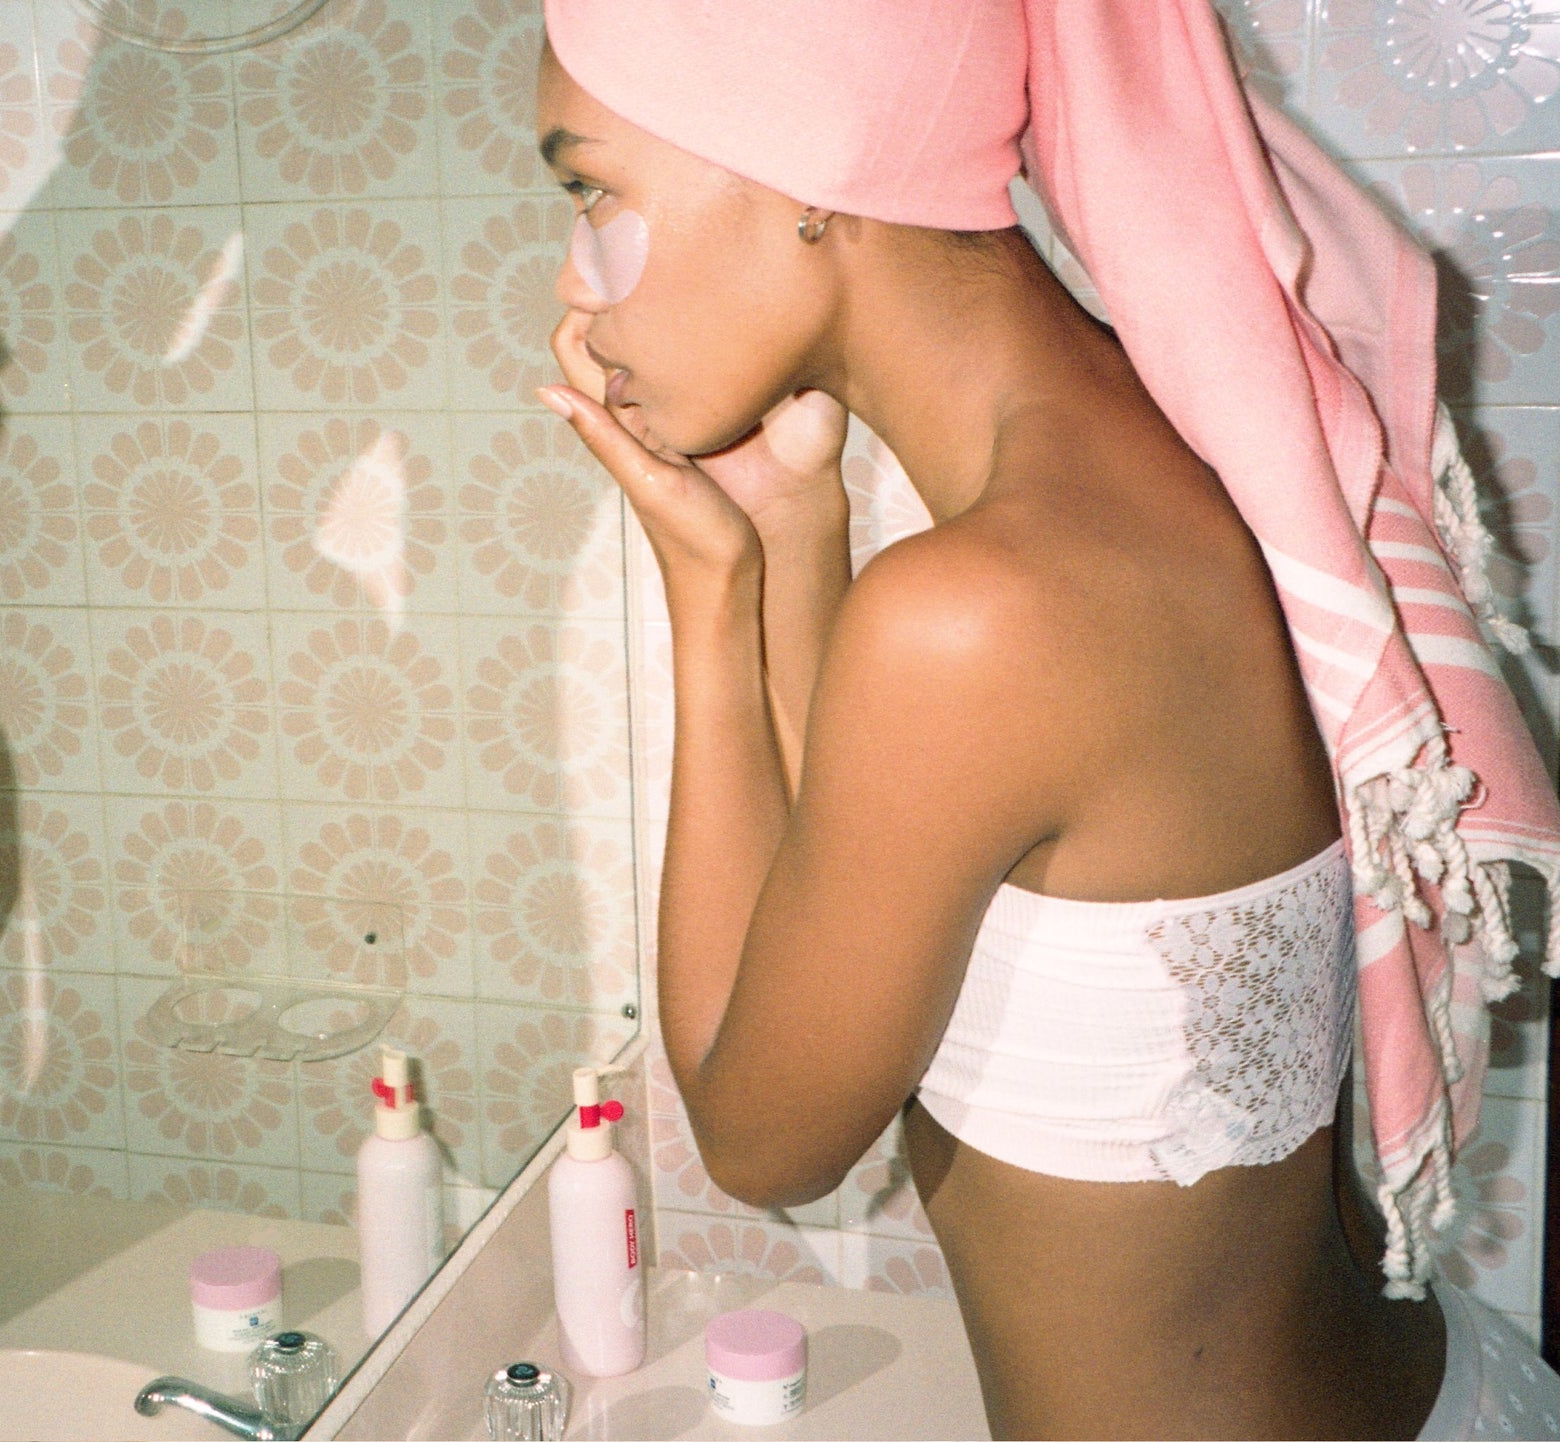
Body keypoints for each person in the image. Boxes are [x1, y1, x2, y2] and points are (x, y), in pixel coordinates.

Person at [532, 1, 1560, 1436]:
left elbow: (763, 1134)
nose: (575, 290)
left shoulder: (982, 612)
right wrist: (792, 516)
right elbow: (861, 872)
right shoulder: (1166, 457)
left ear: (805, 167)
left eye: (591, 187)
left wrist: (711, 601)